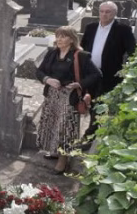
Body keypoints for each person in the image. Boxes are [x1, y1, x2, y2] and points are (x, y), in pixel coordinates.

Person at [35, 26, 101, 174]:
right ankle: (54, 151)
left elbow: (96, 74)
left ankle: (63, 160)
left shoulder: (81, 55)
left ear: (71, 39)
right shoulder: (52, 53)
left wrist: (80, 84)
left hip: (69, 98)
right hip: (52, 96)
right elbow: (39, 71)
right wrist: (47, 79)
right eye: (57, 36)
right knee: (52, 125)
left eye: (63, 36)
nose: (59, 39)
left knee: (65, 129)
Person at [80, 1, 137, 140]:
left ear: (114, 14)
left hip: (109, 75)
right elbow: (82, 48)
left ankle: (91, 134)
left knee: (99, 105)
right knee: (87, 101)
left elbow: (133, 51)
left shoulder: (123, 30)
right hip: (90, 73)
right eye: (102, 11)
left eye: (108, 12)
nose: (104, 14)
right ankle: (90, 131)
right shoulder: (91, 27)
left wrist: (126, 70)